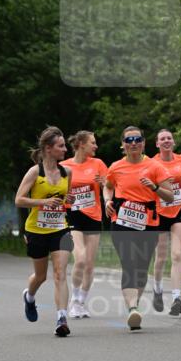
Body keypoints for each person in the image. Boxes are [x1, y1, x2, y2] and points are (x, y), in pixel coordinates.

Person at [103, 126, 175, 331]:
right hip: (121, 222)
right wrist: (108, 201)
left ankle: (133, 308)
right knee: (129, 264)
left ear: (143, 143)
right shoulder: (115, 167)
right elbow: (108, 186)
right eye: (129, 140)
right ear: (123, 145)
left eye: (137, 139)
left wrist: (153, 187)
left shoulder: (155, 167)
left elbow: (169, 196)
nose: (133, 143)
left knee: (142, 270)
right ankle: (133, 308)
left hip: (148, 223)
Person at [15, 126, 74, 337]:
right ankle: (29, 297)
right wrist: (44, 202)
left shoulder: (67, 172)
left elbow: (66, 199)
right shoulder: (35, 172)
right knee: (41, 276)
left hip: (60, 228)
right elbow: (19, 200)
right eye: (61, 146)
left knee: (60, 272)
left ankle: (62, 318)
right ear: (49, 149)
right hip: (36, 230)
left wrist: (69, 201)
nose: (65, 149)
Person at [151, 129, 181, 316]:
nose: (166, 141)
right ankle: (157, 288)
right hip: (159, 212)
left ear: (173, 142)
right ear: (157, 144)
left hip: (178, 209)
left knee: (177, 254)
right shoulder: (152, 163)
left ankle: (177, 298)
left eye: (169, 138)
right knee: (161, 257)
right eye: (162, 139)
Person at [63, 131, 108, 318]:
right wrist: (63, 195)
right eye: (93, 143)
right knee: (80, 258)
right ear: (81, 144)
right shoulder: (64, 166)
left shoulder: (98, 164)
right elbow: (54, 189)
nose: (96, 146)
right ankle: (73, 300)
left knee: (89, 264)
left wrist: (105, 183)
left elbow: (110, 186)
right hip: (72, 215)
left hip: (93, 216)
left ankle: (81, 301)